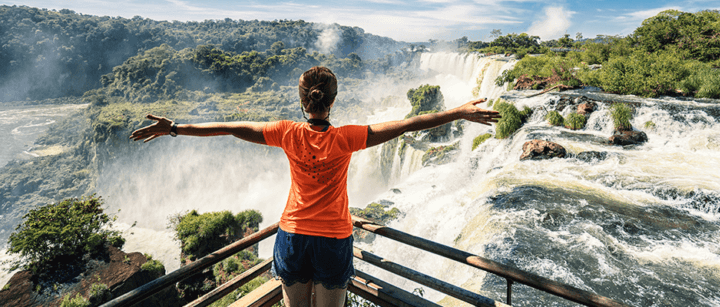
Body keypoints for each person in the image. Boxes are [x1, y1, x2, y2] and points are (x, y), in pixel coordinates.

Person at [129, 66, 499, 307]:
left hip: (291, 235)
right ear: (333, 100)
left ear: (302, 101)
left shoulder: (285, 132)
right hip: (333, 239)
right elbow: (408, 124)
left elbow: (229, 126)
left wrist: (174, 127)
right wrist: (458, 112)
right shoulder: (348, 138)